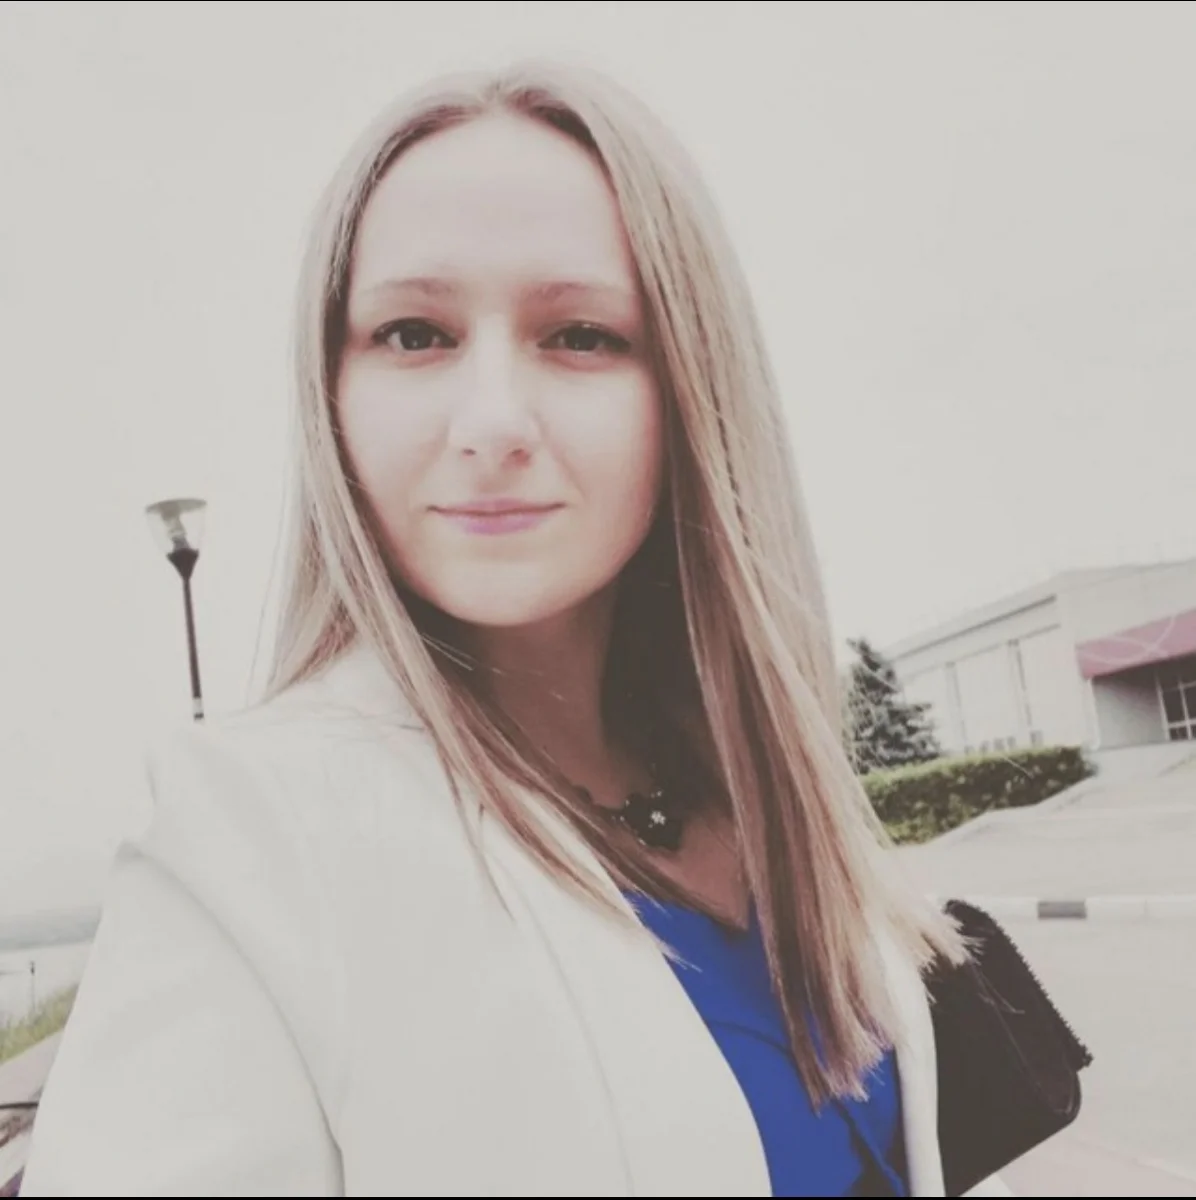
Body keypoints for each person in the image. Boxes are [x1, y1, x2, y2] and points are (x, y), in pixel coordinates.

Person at [20, 64, 1012, 1197]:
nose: (491, 422)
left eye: (580, 335)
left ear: (690, 385)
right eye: (413, 333)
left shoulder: (751, 783)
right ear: (330, 392)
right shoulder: (254, 842)